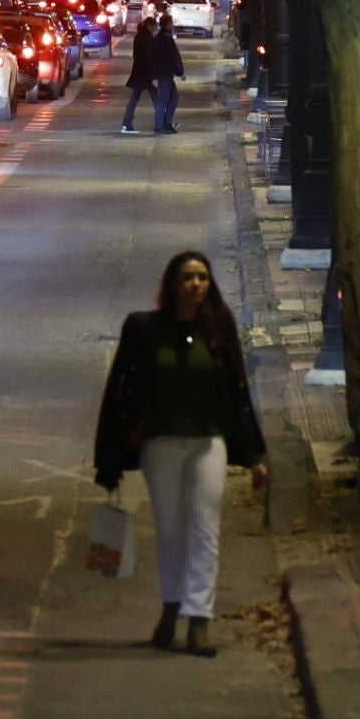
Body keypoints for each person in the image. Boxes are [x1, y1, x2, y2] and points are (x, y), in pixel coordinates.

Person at [93, 251, 269, 657]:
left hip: (209, 442)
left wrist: (256, 456)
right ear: (173, 284)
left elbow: (238, 397)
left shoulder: (219, 331)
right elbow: (119, 391)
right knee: (171, 529)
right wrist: (110, 456)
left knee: (205, 527)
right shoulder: (144, 330)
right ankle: (172, 608)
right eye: (188, 278)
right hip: (161, 444)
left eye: (203, 278)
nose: (196, 285)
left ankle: (200, 619)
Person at [120, 16, 158, 134]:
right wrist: (153, 73)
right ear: (149, 26)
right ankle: (163, 122)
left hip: (140, 73)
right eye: (154, 27)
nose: (155, 29)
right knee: (155, 99)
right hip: (144, 73)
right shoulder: (145, 37)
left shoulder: (142, 36)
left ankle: (127, 123)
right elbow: (148, 56)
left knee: (138, 99)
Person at [151, 13, 184, 134]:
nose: (172, 25)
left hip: (166, 73)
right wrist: (179, 71)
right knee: (163, 100)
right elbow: (172, 57)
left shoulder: (162, 37)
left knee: (173, 98)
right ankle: (160, 126)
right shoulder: (164, 38)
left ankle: (167, 123)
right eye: (171, 23)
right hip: (164, 74)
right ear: (168, 24)